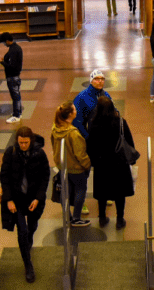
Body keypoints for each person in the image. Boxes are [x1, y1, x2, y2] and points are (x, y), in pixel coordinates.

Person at [0, 126, 49, 282]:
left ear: (31, 141)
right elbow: (4, 177)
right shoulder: (11, 153)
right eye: (20, 142)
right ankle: (28, 266)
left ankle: (27, 245)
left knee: (32, 228)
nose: (23, 145)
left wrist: (38, 198)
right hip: (17, 200)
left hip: (33, 199)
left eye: (26, 142)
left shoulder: (40, 154)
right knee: (22, 232)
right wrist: (8, 200)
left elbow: (45, 177)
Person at [86, 96, 135, 229]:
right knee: (120, 192)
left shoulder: (94, 124)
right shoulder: (120, 122)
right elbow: (129, 142)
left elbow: (89, 146)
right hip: (119, 164)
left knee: (102, 192)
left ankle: (102, 217)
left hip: (102, 164)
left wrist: (94, 162)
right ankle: (120, 219)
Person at [50, 101, 92, 227]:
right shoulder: (73, 133)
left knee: (65, 192)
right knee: (80, 190)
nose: (76, 111)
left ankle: (67, 216)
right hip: (76, 169)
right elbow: (80, 154)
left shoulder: (55, 128)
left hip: (63, 166)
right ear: (70, 114)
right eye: (74, 110)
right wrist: (87, 165)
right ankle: (76, 218)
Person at [0, 32, 24, 124]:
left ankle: (16, 116)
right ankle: (18, 111)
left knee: (15, 96)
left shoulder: (13, 50)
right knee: (16, 95)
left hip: (12, 77)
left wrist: (2, 62)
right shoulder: (15, 47)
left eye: (4, 42)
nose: (4, 44)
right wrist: (4, 60)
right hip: (15, 76)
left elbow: (12, 66)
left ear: (7, 41)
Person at [72, 69, 109, 139]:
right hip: (90, 137)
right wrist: (87, 138)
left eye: (102, 79)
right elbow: (77, 121)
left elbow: (113, 113)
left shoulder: (106, 95)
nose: (100, 81)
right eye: (97, 79)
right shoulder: (81, 98)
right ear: (91, 81)